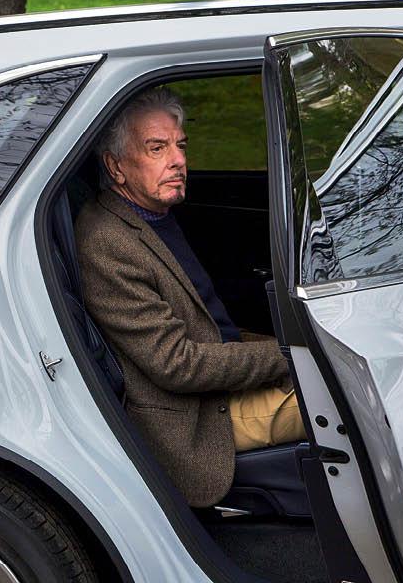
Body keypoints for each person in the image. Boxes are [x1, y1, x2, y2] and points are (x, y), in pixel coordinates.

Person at [74, 87, 306, 508]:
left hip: (219, 372)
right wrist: (288, 356)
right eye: (157, 148)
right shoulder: (107, 242)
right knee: (346, 399)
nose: (178, 160)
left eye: (180, 145)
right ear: (115, 166)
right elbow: (178, 365)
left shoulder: (150, 214)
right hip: (198, 418)